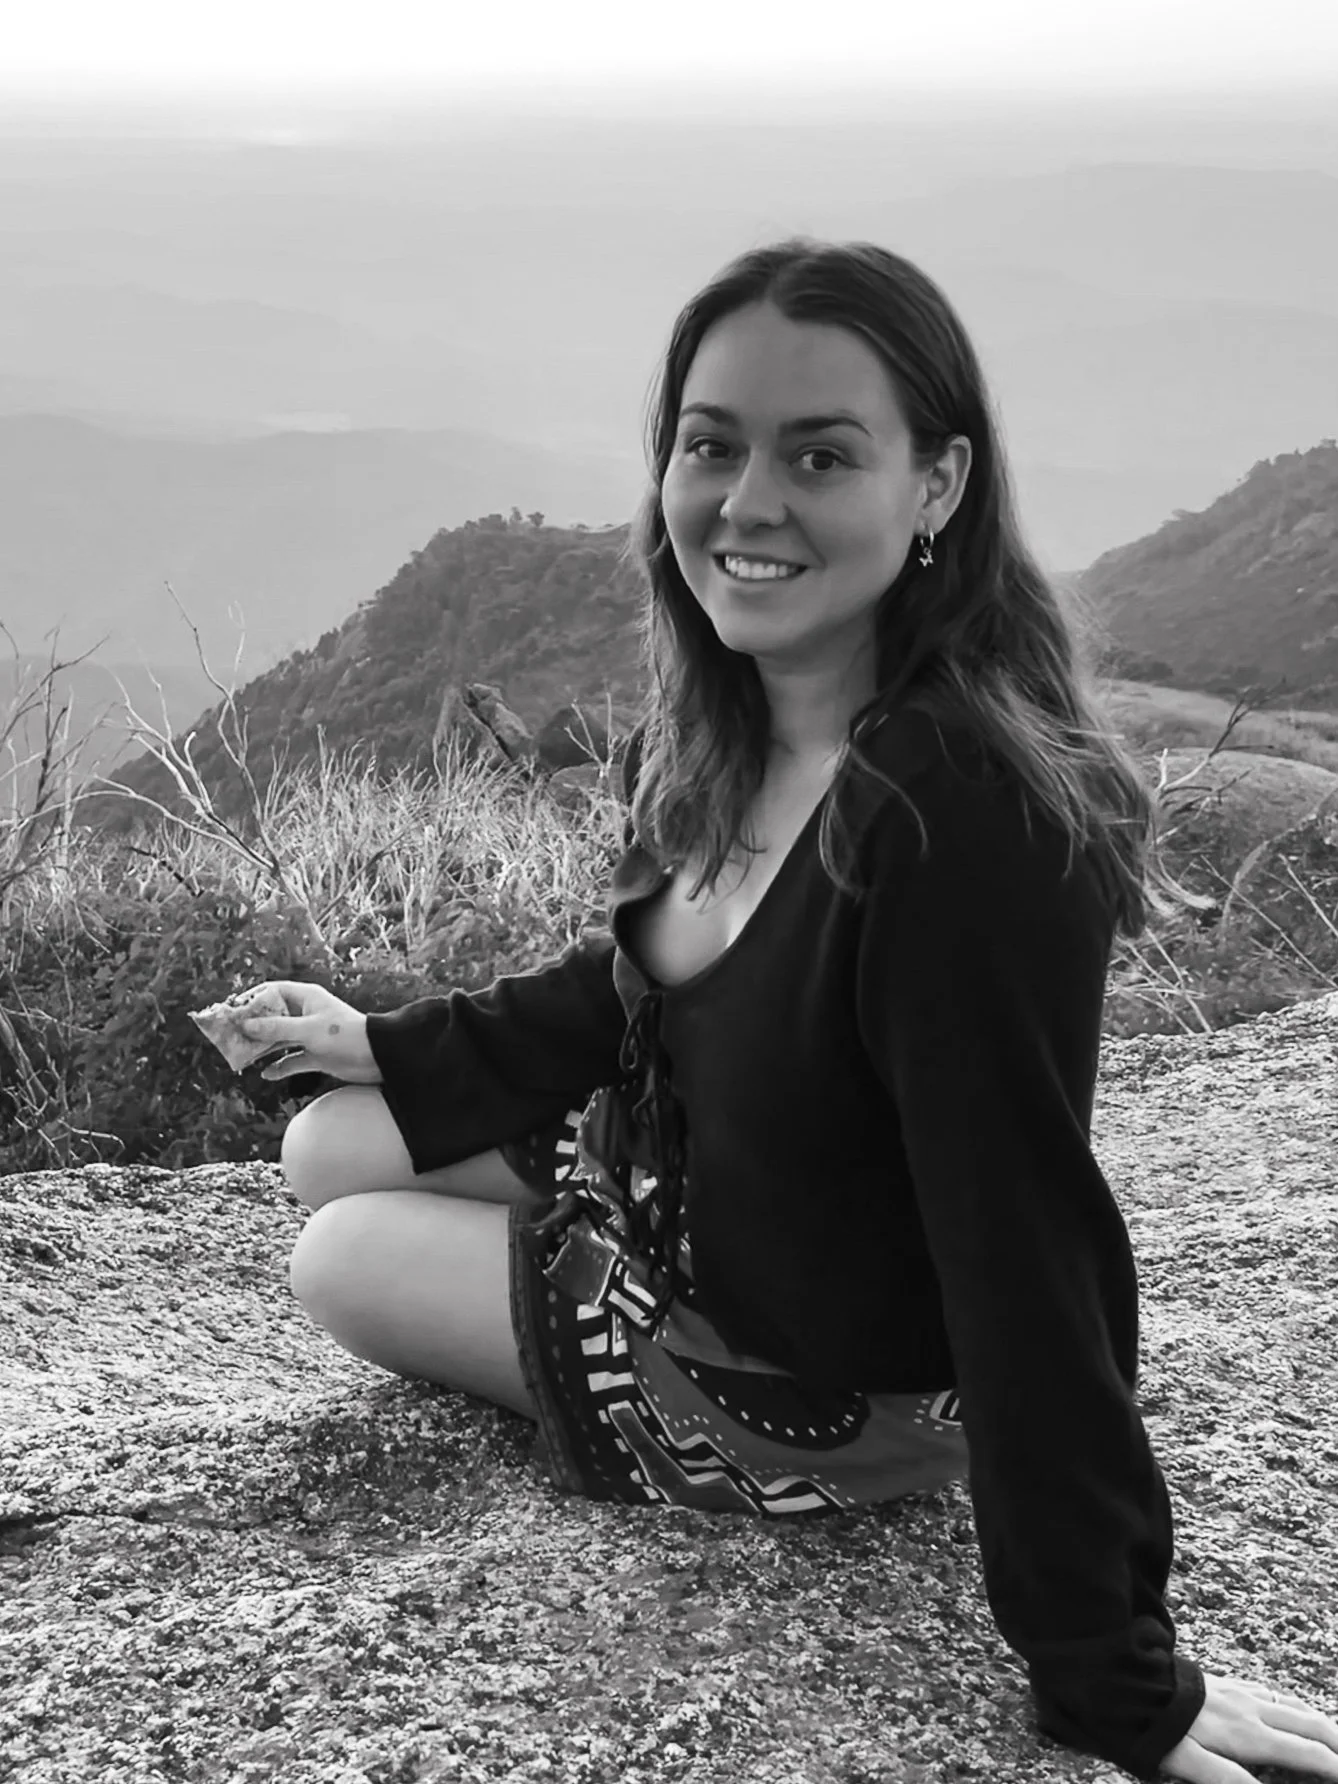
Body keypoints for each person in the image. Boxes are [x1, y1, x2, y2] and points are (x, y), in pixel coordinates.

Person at [234, 239, 1338, 1784]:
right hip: (691, 1197)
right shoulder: (725, 719)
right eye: (710, 444)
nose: (745, 503)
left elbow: (1022, 1231)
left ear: (936, 484)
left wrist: (1111, 1668)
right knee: (332, 1137)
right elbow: (642, 990)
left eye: (818, 454)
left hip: (809, 1378)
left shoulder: (957, 813)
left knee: (337, 1249)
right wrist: (394, 1042)